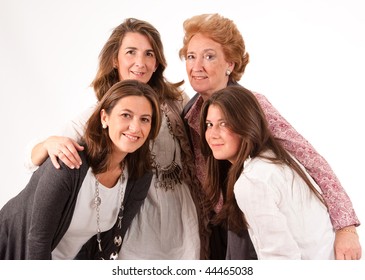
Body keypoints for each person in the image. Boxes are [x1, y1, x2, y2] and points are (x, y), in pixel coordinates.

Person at [179, 13, 361, 260]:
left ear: (230, 64)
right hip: (220, 229)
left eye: (209, 56)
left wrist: (346, 227)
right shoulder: (190, 111)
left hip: (257, 227)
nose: (196, 66)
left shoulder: (254, 106)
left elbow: (310, 158)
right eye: (191, 56)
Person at [24, 18, 204, 259]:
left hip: (181, 216)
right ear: (114, 60)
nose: (140, 62)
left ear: (157, 62)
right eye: (131, 52)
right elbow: (34, 158)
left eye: (149, 54)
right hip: (136, 220)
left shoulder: (176, 100)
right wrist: (48, 143)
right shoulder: (101, 111)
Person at [0, 79, 162, 260]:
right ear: (104, 118)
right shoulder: (68, 164)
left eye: (145, 119)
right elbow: (38, 241)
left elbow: (109, 246)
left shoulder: (139, 177)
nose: (135, 127)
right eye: (126, 115)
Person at [200, 86, 336, 259]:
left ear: (246, 123)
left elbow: (280, 259)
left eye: (224, 123)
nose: (213, 134)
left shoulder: (253, 180)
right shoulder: (276, 159)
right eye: (209, 125)